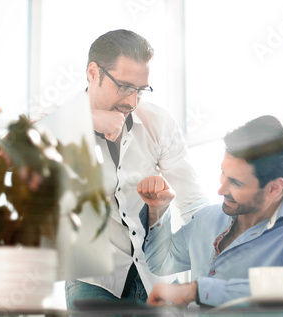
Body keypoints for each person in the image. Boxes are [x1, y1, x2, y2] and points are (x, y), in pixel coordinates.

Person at [64, 29, 208, 308]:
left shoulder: (157, 123)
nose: (131, 101)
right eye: (124, 87)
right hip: (94, 280)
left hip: (156, 274)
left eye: (140, 90)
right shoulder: (57, 122)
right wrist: (86, 118)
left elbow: (193, 201)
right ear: (93, 73)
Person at [137, 115, 283, 310]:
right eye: (223, 173)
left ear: (274, 188)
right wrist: (157, 210)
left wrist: (198, 290)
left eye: (236, 182)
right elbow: (162, 263)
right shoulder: (207, 219)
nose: (221, 190)